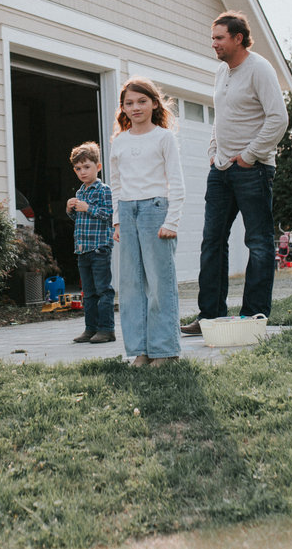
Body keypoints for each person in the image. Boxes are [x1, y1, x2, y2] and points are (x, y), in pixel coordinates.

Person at [182, 11, 289, 334]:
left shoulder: (259, 69)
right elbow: (221, 116)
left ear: (238, 38)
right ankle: (209, 316)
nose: (213, 43)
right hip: (221, 171)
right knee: (211, 241)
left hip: (253, 170)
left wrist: (249, 155)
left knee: (258, 242)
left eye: (219, 38)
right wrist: (214, 151)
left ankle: (253, 317)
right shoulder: (220, 72)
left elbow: (278, 118)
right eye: (213, 37)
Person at [109, 77, 185, 367]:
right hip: (127, 213)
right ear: (123, 108)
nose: (135, 107)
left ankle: (165, 350)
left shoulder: (164, 138)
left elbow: (176, 183)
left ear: (154, 103)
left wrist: (172, 221)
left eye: (141, 101)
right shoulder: (119, 142)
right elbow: (116, 184)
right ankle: (140, 351)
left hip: (156, 211)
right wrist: (117, 221)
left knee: (159, 283)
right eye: (129, 103)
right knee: (130, 285)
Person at [66, 141, 115, 344]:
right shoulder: (80, 193)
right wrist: (70, 210)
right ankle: (90, 328)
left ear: (98, 167)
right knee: (88, 292)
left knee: (103, 290)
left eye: (87, 167)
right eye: (78, 168)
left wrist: (89, 208)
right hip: (83, 248)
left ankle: (107, 329)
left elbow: (110, 215)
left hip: (100, 247)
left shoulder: (104, 190)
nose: (82, 172)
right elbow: (79, 220)